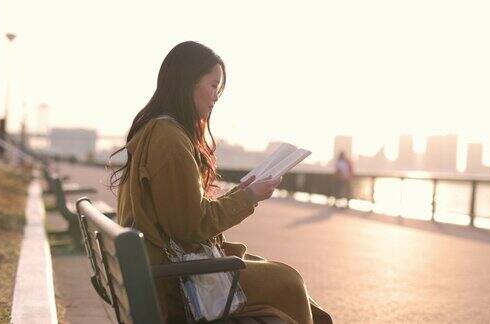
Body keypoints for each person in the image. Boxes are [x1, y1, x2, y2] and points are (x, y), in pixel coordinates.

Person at [110, 41, 332, 324]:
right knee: (288, 281)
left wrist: (241, 192)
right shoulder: (170, 140)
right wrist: (249, 197)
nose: (216, 96)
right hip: (178, 283)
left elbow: (182, 214)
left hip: (164, 268)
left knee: (290, 284)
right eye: (213, 86)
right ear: (188, 83)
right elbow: (192, 226)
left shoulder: (158, 129)